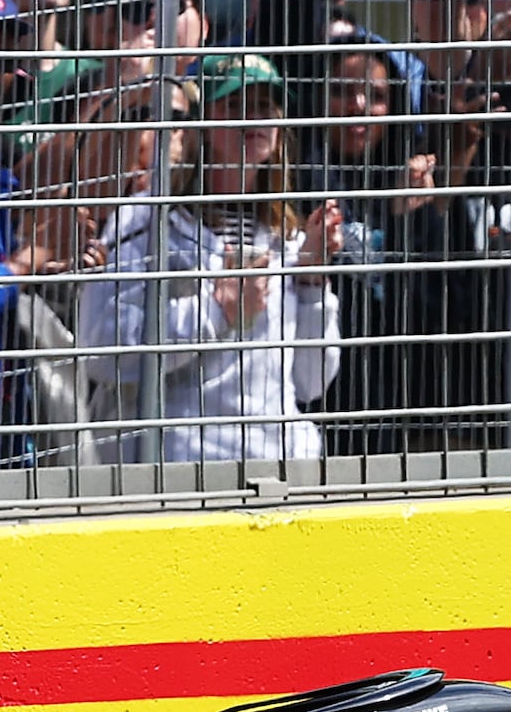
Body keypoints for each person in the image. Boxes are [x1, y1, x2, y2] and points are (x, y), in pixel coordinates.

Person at [79, 52, 347, 462]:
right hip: (179, 467)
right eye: (236, 106)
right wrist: (216, 311)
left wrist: (311, 281)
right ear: (201, 123)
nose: (254, 119)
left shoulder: (287, 235)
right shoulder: (146, 218)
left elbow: (311, 383)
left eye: (264, 106)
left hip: (281, 466)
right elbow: (100, 351)